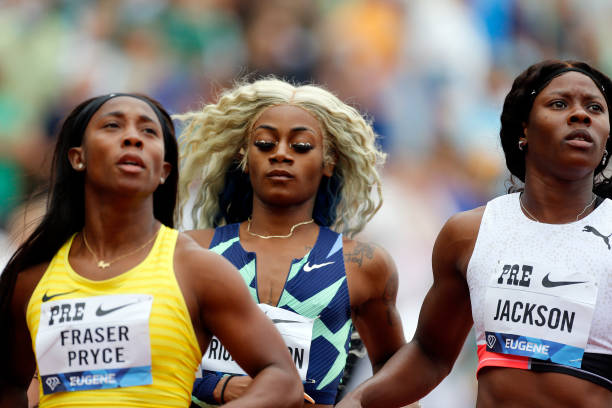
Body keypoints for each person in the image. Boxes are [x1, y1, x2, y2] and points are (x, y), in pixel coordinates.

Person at [336, 59, 612, 407]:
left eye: (595, 108)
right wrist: (359, 401)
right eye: (559, 104)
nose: (580, 115)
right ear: (523, 130)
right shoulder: (470, 234)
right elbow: (430, 354)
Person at [0, 93, 303, 408]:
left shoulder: (198, 270)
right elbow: (9, 386)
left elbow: (282, 378)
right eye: (113, 126)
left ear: (164, 170)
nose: (132, 137)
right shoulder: (32, 280)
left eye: (149, 132)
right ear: (78, 158)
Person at [175, 78, 408, 407]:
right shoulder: (190, 251)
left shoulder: (362, 263)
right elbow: (157, 363)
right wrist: (221, 388)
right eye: (265, 143)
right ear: (244, 156)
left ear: (329, 162)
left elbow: (397, 372)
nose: (281, 154)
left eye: (300, 146)